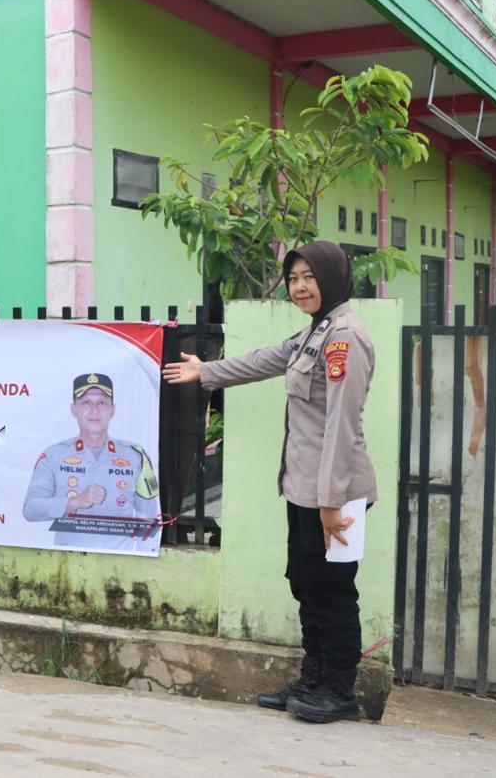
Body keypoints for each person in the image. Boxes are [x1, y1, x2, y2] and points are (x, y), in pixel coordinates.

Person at [162, 240, 375, 723]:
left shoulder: (345, 338)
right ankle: (314, 679)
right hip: (304, 489)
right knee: (305, 582)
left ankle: (339, 689)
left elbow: (341, 424)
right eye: (294, 278)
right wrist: (206, 371)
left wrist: (331, 502)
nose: (300, 287)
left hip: (334, 493)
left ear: (333, 277)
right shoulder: (315, 333)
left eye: (309, 277)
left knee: (333, 589)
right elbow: (264, 359)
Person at [23, 373, 161, 553]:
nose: (94, 410)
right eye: (86, 402)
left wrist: (143, 564)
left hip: (120, 564)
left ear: (113, 409)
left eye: (102, 402)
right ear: (74, 409)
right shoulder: (54, 456)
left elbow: (149, 520)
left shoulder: (136, 457)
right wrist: (75, 502)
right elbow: (31, 509)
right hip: (67, 564)